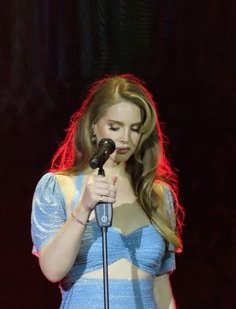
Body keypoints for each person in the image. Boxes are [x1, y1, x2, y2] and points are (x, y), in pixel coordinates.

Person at [31, 74, 184, 309]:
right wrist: (83, 209)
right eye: (114, 127)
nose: (124, 139)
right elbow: (52, 270)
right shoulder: (58, 187)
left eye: (135, 129)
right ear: (93, 127)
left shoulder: (157, 195)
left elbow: (162, 292)